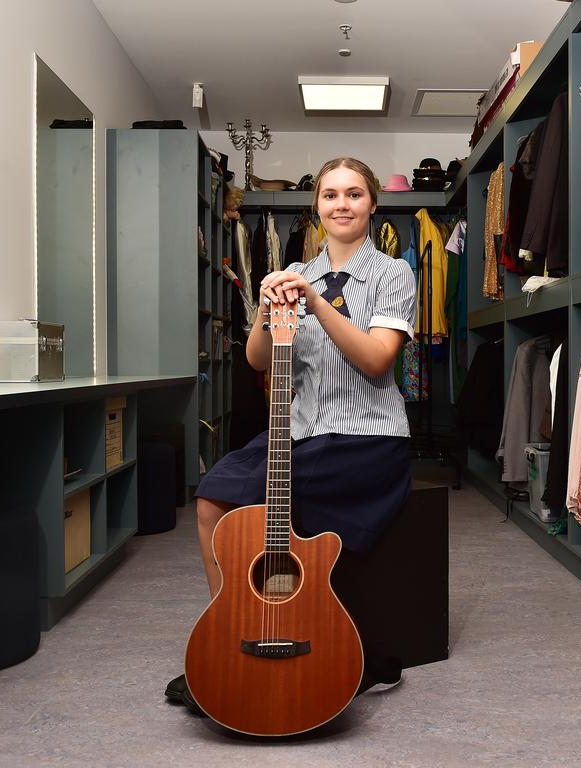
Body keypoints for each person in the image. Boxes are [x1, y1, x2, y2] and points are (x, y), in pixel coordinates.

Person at [167, 156, 417, 711]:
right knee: (212, 496)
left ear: (372, 204)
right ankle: (229, 636)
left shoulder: (393, 273)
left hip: (366, 439)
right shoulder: (297, 270)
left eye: (354, 194)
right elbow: (259, 361)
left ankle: (338, 638)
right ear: (317, 206)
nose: (342, 205)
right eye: (331, 195)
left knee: (266, 506)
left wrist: (315, 302)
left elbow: (377, 360)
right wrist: (265, 309)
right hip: (300, 431)